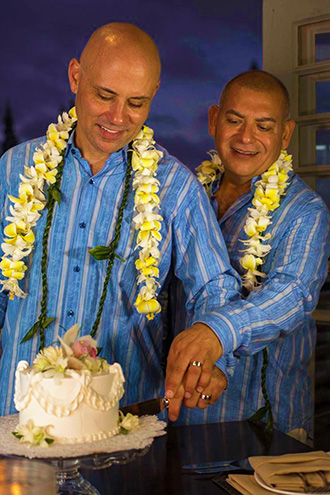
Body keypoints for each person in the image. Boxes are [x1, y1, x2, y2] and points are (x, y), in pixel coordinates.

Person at [0, 23, 240, 420]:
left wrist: (209, 353)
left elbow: (214, 286)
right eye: (105, 95)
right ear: (76, 76)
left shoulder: (174, 187)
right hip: (16, 415)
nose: (117, 117)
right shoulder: (14, 170)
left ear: (155, 94)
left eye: (136, 102)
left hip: (124, 418)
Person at [175, 70, 330, 442]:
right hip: (179, 417)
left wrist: (217, 332)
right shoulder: (189, 196)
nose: (246, 138)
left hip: (263, 428)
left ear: (286, 134)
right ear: (215, 120)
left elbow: (293, 294)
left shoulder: (305, 211)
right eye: (234, 120)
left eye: (264, 126)